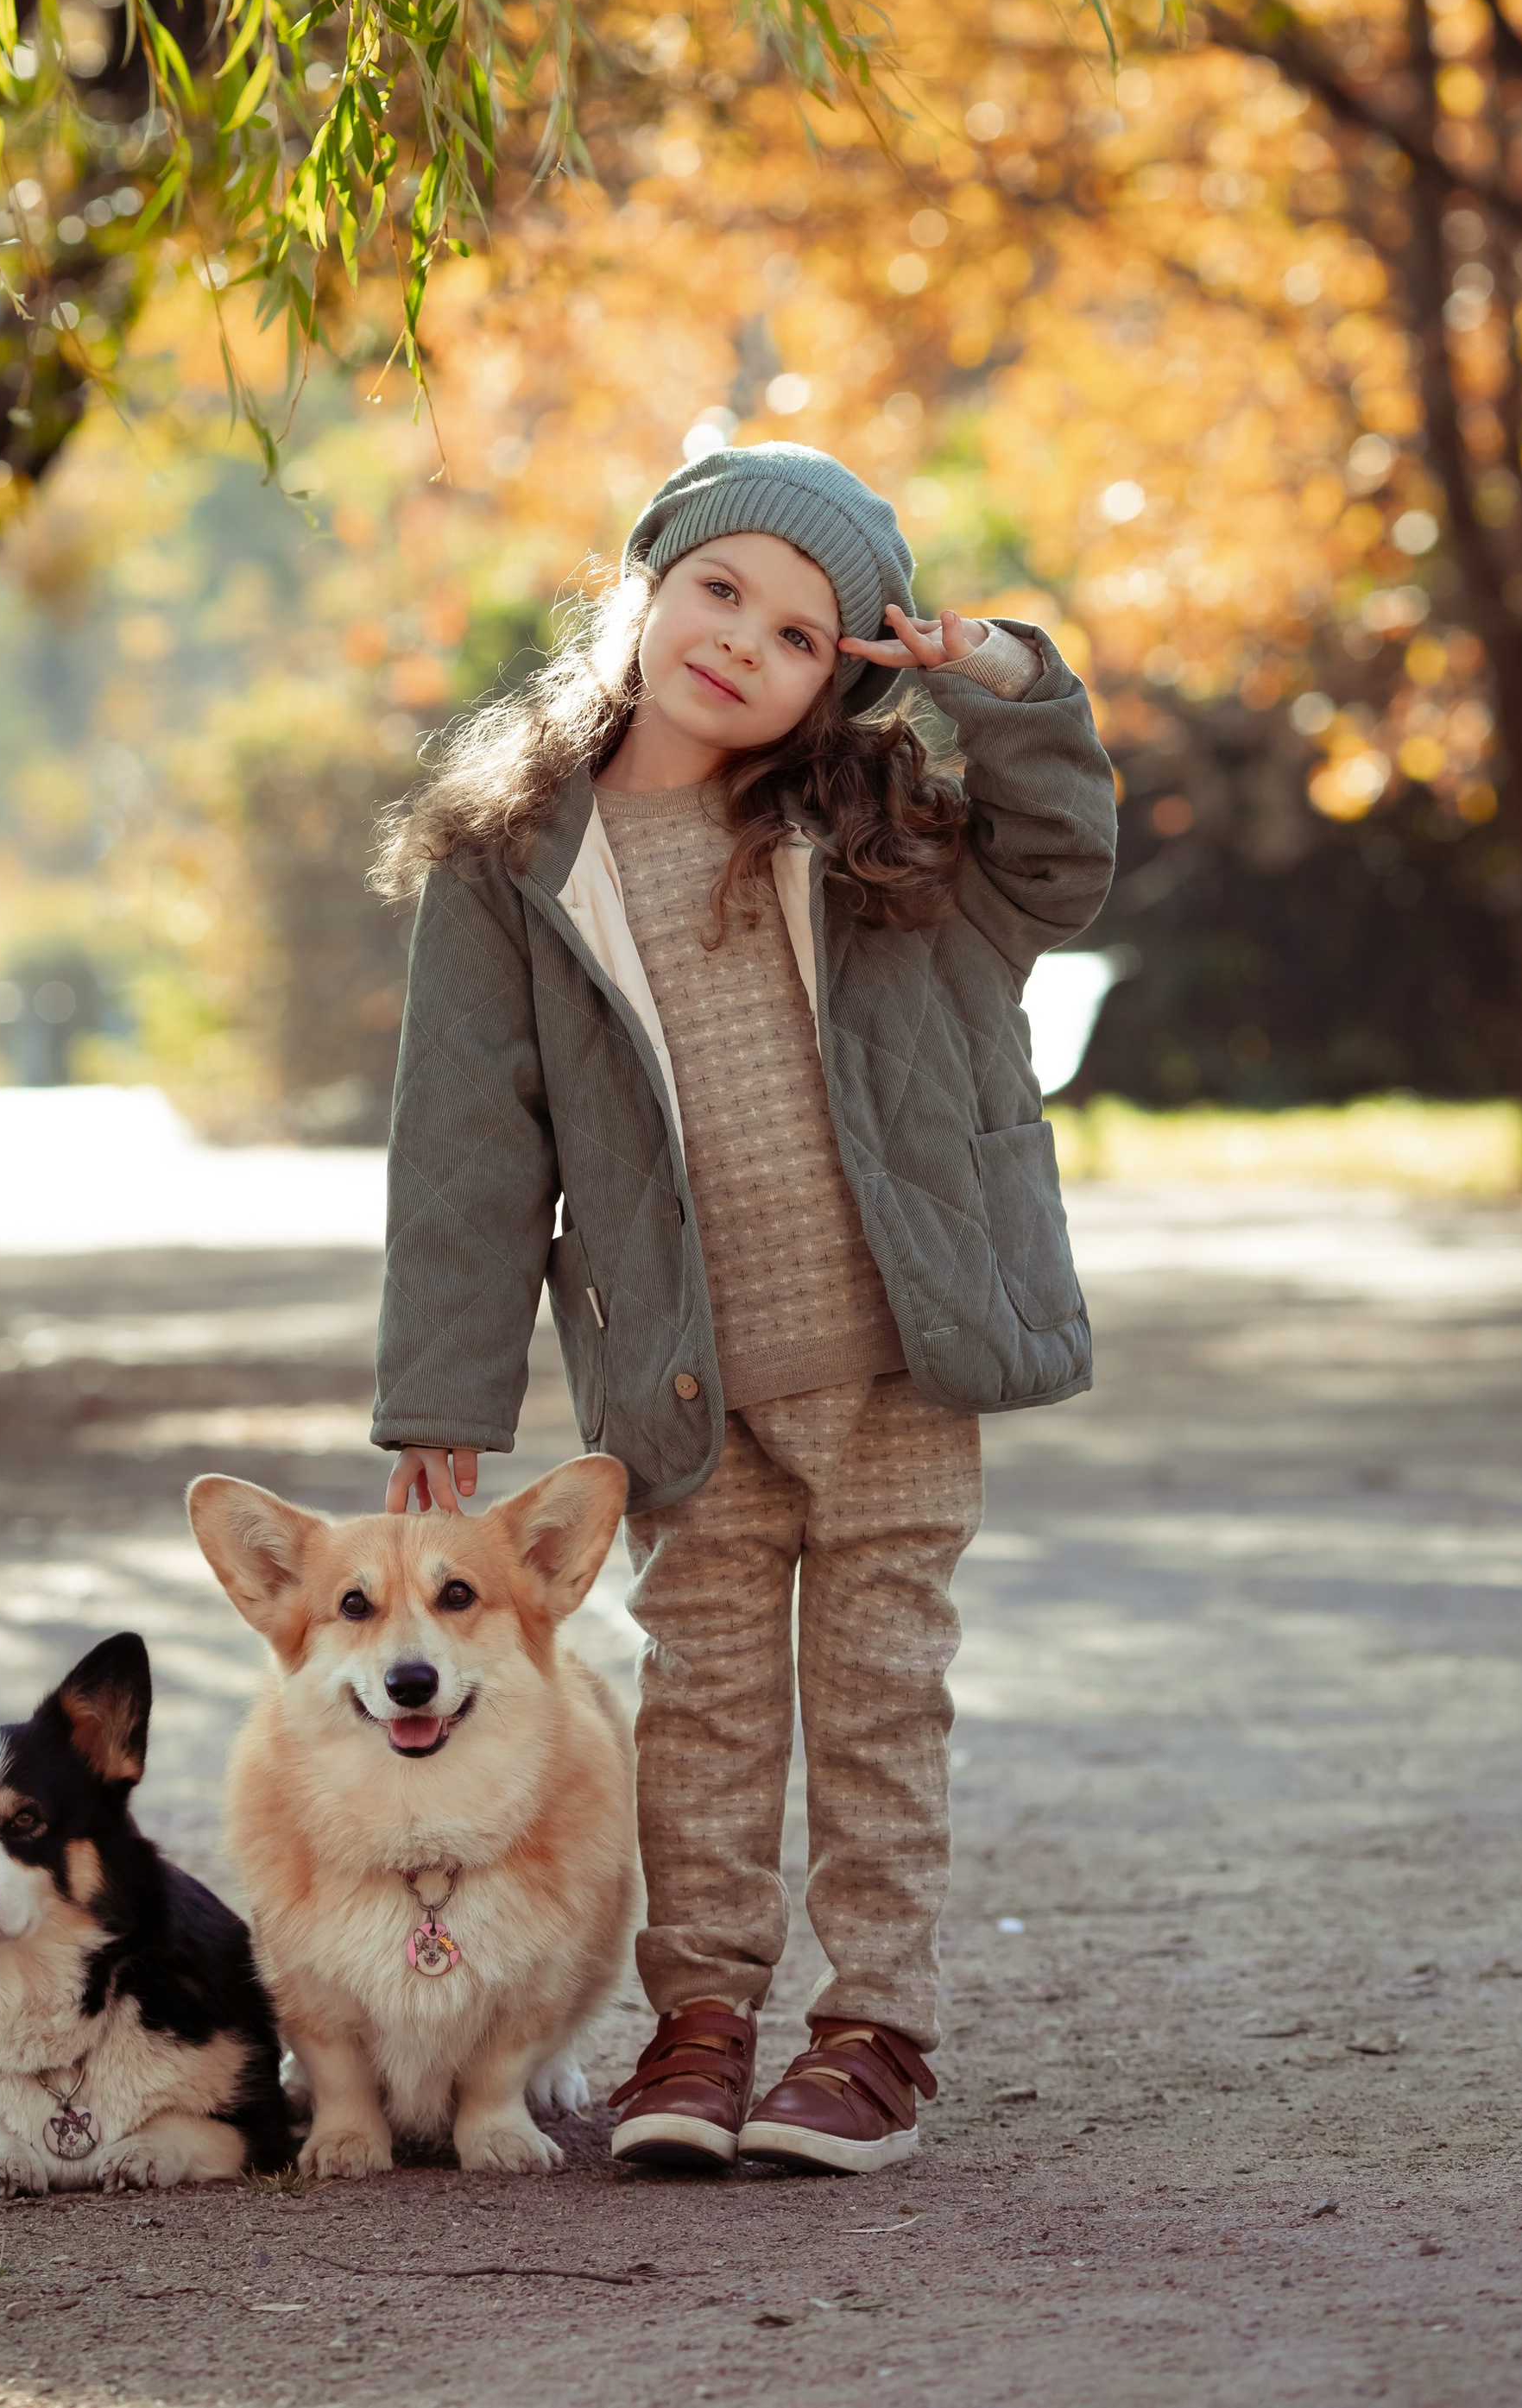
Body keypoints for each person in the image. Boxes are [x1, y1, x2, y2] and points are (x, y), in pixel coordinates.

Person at [368, 443, 1117, 2174]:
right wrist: (442, 1396)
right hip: (679, 1373)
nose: (738, 642)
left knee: (876, 1699)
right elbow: (465, 1149)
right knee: (698, 1712)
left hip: (898, 1351)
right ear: (639, 586)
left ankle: (869, 2037)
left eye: (796, 634)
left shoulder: (893, 838)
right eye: (718, 590)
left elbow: (1064, 859)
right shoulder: (509, 865)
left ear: (831, 683)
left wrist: (999, 678)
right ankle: (697, 2024)